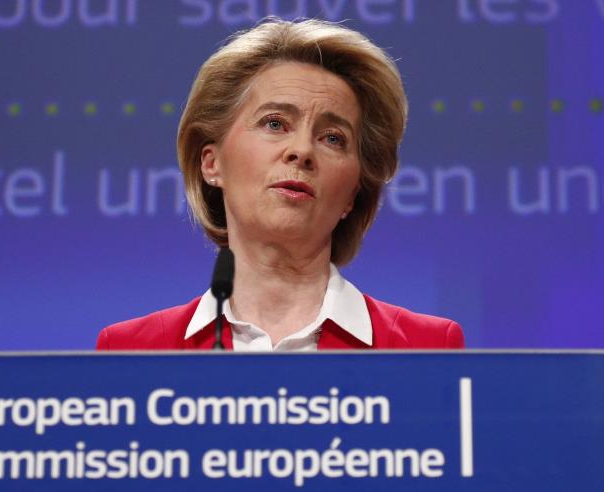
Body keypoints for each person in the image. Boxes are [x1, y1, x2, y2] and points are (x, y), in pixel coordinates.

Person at [96, 18, 464, 351]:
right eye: (275, 123)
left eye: (333, 138)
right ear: (212, 163)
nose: (302, 151)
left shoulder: (426, 348)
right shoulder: (132, 352)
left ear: (352, 194)